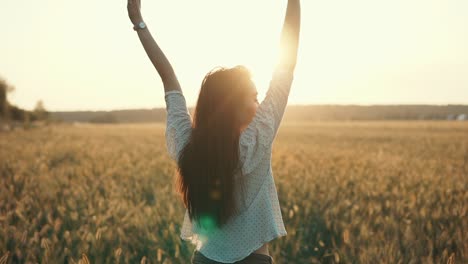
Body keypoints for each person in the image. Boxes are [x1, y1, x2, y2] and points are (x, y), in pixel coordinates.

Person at [127, 0, 301, 263]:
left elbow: (168, 77)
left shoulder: (188, 146)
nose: (259, 103)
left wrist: (139, 24)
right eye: (253, 97)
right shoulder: (254, 142)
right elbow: (286, 66)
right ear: (232, 105)